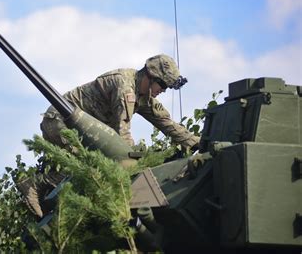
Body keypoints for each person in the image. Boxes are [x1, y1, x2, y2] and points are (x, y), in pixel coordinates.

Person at [18, 54, 200, 218]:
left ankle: (44, 197)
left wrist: (198, 143)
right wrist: (137, 167)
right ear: (150, 76)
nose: (163, 90)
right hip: (60, 121)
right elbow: (122, 135)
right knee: (89, 161)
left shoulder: (144, 95)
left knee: (94, 165)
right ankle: (34, 185)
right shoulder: (125, 87)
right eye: (162, 85)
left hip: (80, 131)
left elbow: (168, 124)